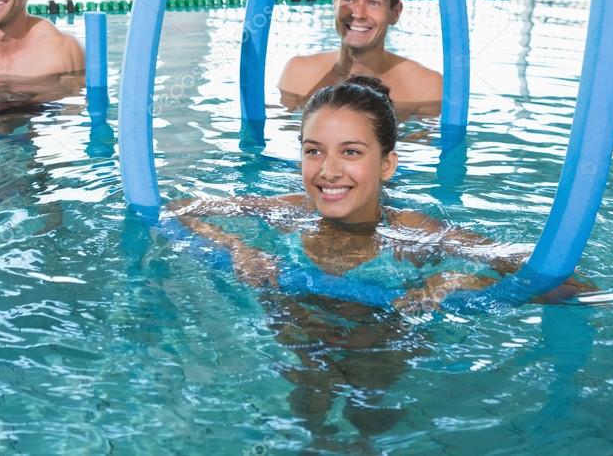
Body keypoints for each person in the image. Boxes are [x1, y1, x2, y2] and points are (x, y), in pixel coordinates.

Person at [169, 76, 589, 444]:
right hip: (305, 338)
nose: (328, 170)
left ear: (387, 164)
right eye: (313, 151)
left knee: (368, 415)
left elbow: (571, 285)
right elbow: (181, 209)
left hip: (381, 345)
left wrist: (461, 282)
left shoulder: (414, 232)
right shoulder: (286, 212)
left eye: (350, 152)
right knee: (310, 412)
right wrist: (237, 247)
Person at [277, 0, 442, 116]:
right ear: (335, 4)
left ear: (395, 12)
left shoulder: (426, 86)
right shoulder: (298, 73)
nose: (359, 14)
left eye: (373, 2)